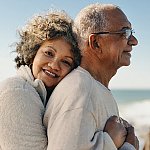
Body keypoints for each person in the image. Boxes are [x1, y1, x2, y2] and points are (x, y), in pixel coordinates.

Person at [43, 3, 139, 150]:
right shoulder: (80, 90)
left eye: (131, 32)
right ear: (95, 43)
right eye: (125, 32)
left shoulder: (91, 87)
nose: (134, 41)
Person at [0, 10, 81, 149]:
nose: (54, 65)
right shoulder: (18, 92)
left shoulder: (42, 96)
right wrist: (110, 142)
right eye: (49, 53)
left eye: (66, 62)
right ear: (33, 53)